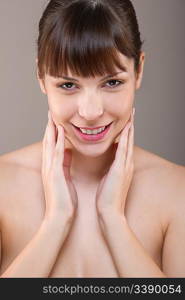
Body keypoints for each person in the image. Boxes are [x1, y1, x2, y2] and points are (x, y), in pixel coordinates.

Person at [0, 0, 185, 278]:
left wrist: (113, 220)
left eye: (111, 82)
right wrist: (55, 222)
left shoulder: (176, 192)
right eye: (68, 85)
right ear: (40, 76)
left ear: (139, 71)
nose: (90, 112)